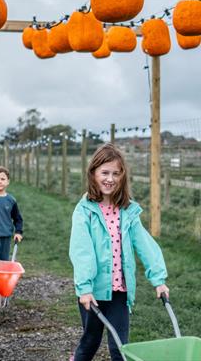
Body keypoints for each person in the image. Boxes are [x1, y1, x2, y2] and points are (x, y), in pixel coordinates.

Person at [69, 143, 169, 361]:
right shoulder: (84, 211)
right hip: (93, 291)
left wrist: (158, 279)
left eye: (116, 173)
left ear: (123, 176)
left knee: (120, 348)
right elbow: (81, 251)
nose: (110, 179)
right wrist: (84, 287)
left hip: (120, 292)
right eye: (104, 173)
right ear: (93, 173)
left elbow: (144, 244)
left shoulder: (127, 210)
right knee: (90, 341)